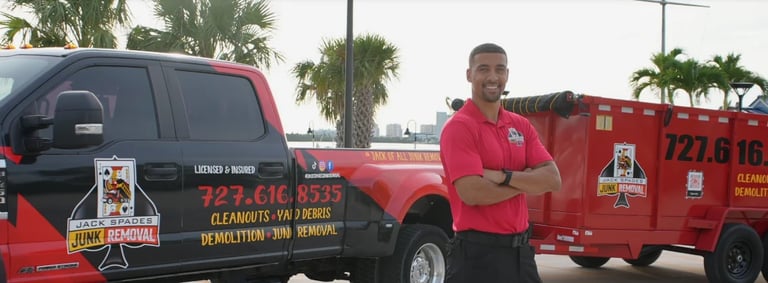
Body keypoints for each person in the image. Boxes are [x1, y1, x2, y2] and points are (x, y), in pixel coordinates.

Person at [439, 43, 562, 283]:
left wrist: (502, 176)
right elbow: (473, 193)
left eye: (500, 69)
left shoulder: (520, 125)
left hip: (521, 256)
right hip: (477, 257)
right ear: (469, 75)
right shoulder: (459, 127)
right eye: (483, 69)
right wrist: (527, 182)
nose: (493, 77)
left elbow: (553, 179)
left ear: (507, 74)